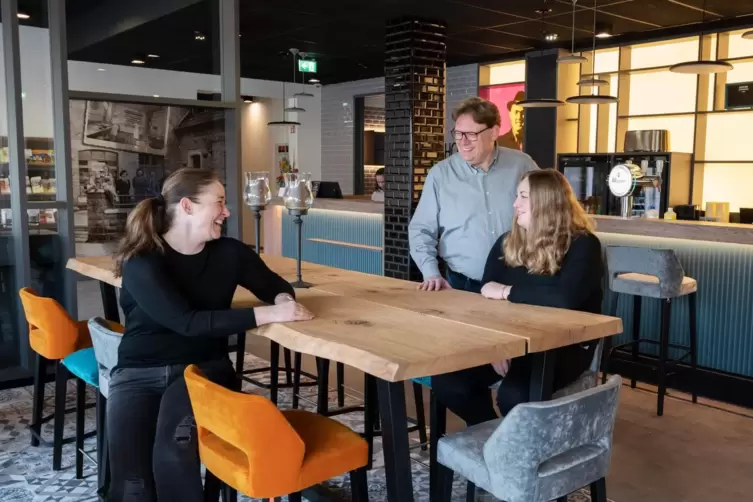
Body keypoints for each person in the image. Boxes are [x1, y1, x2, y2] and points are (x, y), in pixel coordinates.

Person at [107, 168, 314, 502]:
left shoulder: (230, 253)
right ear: (187, 206)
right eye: (219, 202)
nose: (227, 211)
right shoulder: (142, 261)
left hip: (205, 370)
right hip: (138, 371)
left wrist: (283, 300)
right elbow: (185, 322)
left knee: (172, 452)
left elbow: (274, 285)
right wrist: (269, 313)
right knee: (131, 481)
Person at [431, 169, 604, 426]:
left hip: (561, 347)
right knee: (449, 382)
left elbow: (564, 298)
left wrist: (506, 292)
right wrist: (495, 345)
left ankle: (512, 449)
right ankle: (493, 438)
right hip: (510, 341)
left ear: (546, 201)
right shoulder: (508, 243)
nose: (515, 204)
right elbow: (485, 294)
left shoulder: (583, 244)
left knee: (514, 395)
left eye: (523, 196)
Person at [409, 96, 539, 294]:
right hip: (462, 284)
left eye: (471, 134)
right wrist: (431, 273)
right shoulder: (441, 174)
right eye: (458, 134)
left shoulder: (523, 165)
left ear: (494, 132)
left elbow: (548, 212)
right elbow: (421, 229)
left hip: (518, 282)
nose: (463, 142)